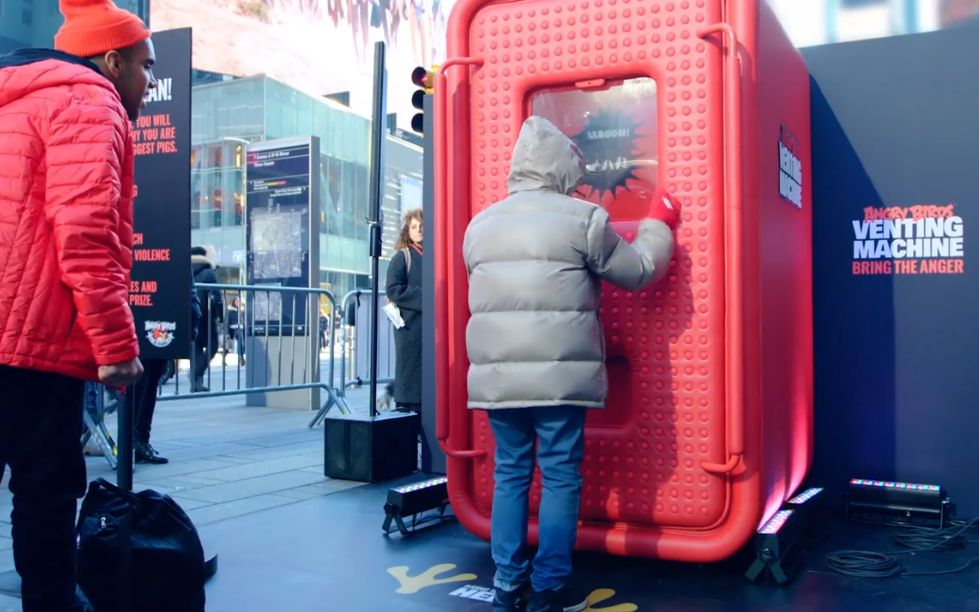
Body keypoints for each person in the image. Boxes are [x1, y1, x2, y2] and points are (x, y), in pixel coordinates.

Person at [463, 116, 678, 612]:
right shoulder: (582, 218)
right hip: (560, 378)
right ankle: (549, 588)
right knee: (559, 474)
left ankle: (506, 584)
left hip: (498, 378)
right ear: (561, 167)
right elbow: (639, 271)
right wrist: (657, 225)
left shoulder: (480, 226)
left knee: (511, 473)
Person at [0, 0, 155, 608]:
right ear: (111, 60)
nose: (148, 81)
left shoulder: (15, 99)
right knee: (45, 492)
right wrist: (116, 348)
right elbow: (87, 232)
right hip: (33, 342)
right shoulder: (90, 103)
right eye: (144, 66)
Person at [132, 283, 202, 464]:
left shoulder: (176, 256)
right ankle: (133, 443)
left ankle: (139, 442)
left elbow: (189, 289)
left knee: (149, 383)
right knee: (141, 385)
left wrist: (193, 317)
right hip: (148, 318)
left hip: (162, 319)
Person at [384, 208, 430, 468]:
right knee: (410, 379)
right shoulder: (402, 258)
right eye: (414, 227)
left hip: (430, 330)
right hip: (411, 331)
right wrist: (428, 297)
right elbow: (393, 289)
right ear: (407, 231)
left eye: (422, 226)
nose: (419, 230)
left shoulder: (435, 255)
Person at [191, 245, 223, 391]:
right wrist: (220, 315)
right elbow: (216, 297)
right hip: (206, 314)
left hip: (190, 313)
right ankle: (196, 373)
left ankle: (196, 384)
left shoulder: (185, 271)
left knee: (196, 346)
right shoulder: (208, 273)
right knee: (214, 344)